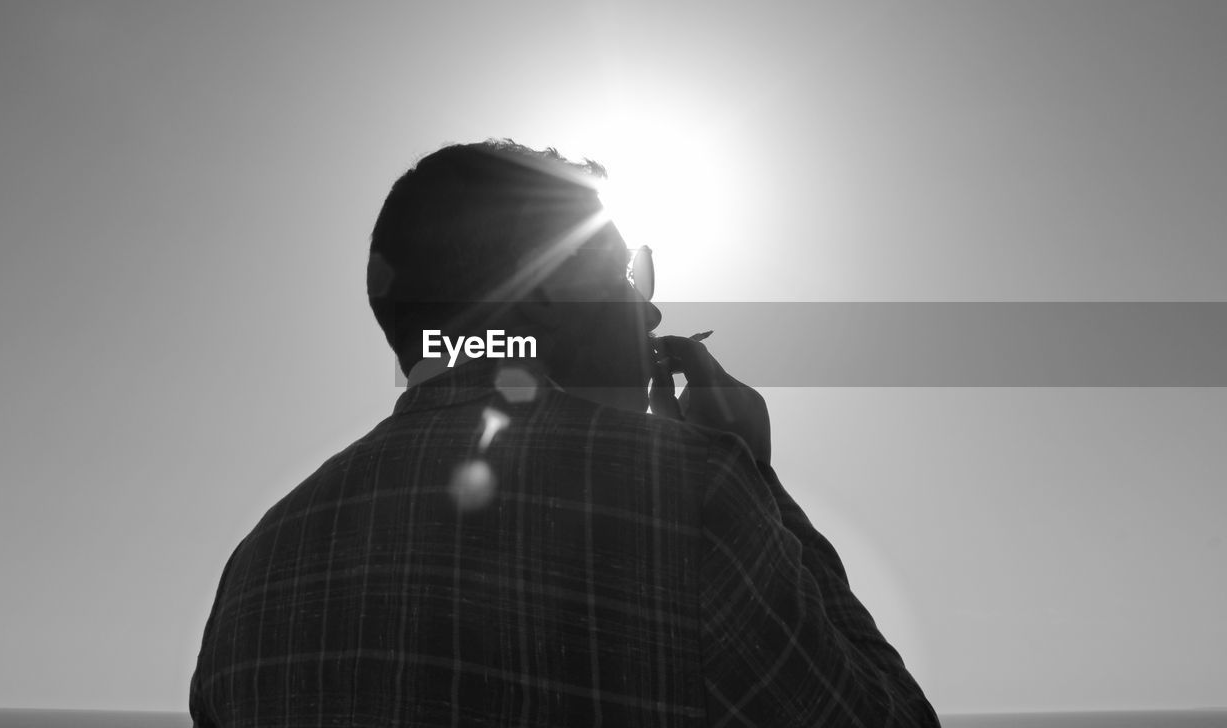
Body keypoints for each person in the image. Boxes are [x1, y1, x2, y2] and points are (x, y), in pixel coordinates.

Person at [189, 139, 940, 726]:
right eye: (624, 272)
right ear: (545, 285)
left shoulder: (254, 570)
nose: (647, 311)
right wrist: (756, 474)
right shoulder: (690, 497)